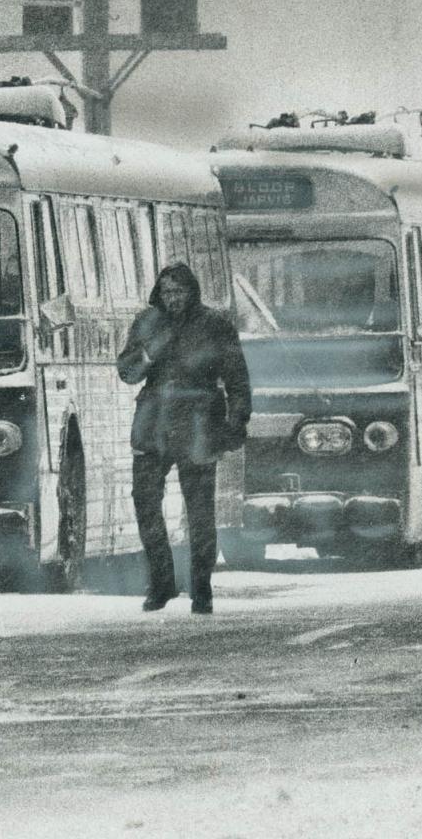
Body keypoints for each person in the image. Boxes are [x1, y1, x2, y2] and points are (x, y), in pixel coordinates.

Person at [117, 263, 251, 615]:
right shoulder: (147, 322)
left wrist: (236, 423)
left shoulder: (214, 324)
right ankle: (161, 583)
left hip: (198, 423)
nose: (173, 299)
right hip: (153, 425)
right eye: (167, 293)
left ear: (192, 292)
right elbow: (127, 371)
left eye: (179, 292)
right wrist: (148, 353)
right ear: (158, 294)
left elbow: (236, 377)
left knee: (200, 511)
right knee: (145, 501)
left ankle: (201, 588)